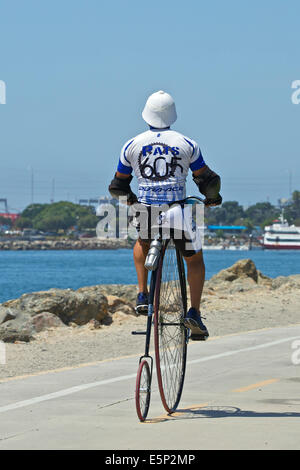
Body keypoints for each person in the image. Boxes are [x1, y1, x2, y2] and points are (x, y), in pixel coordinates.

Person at [109, 90, 222, 339]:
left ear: (146, 114)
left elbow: (117, 186)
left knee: (142, 241)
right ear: (173, 115)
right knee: (193, 260)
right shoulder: (187, 143)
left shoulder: (131, 145)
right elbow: (207, 179)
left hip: (146, 211)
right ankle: (193, 312)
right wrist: (213, 198)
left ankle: (142, 294)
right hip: (177, 213)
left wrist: (131, 200)